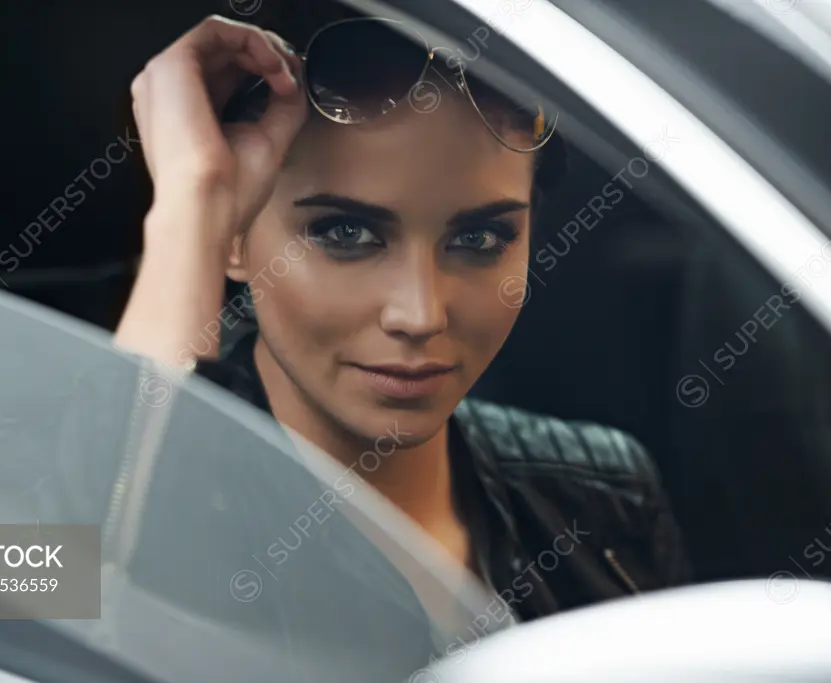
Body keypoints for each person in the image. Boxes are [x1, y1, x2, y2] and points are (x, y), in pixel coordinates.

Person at [114, 0, 689, 651]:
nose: (419, 314)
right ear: (234, 235)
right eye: (346, 232)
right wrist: (192, 199)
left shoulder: (605, 493)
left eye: (479, 237)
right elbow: (85, 605)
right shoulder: (43, 473)